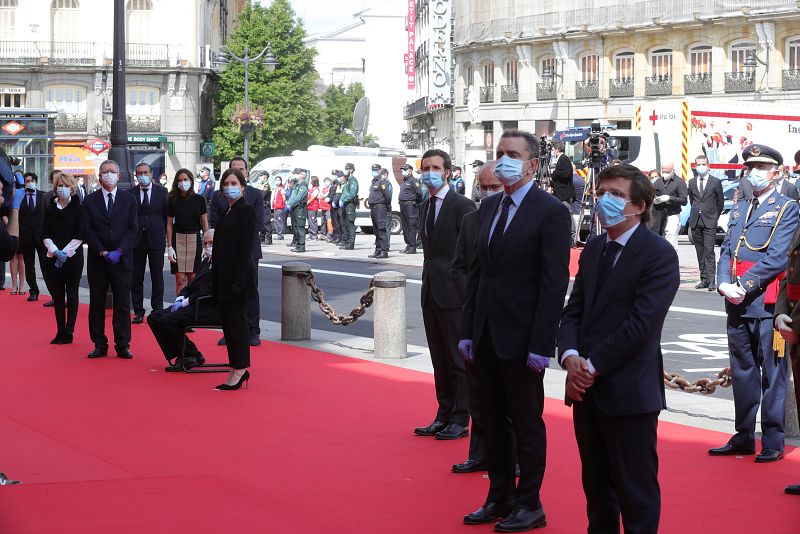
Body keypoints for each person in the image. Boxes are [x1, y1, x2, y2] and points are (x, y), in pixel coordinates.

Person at [458, 130, 571, 532]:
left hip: (523, 340)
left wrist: (542, 342)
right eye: (499, 153)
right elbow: (478, 275)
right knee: (490, 420)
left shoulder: (550, 211)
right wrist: (468, 329)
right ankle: (499, 495)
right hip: (486, 335)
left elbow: (553, 283)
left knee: (525, 423)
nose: (504, 160)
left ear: (532, 164)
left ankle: (530, 504)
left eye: (512, 154)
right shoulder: (488, 208)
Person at [558, 163, 680, 534]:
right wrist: (570, 356)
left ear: (639, 206)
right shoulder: (594, 248)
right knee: (597, 490)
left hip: (628, 392)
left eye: (616, 195)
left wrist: (590, 367)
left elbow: (641, 326)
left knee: (635, 492)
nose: (605, 202)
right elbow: (574, 309)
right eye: (601, 194)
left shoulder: (658, 254)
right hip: (586, 393)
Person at [712, 143, 799, 463]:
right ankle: (744, 435)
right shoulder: (739, 207)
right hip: (736, 303)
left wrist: (745, 285)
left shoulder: (787, 207)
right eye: (750, 168)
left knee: (773, 374)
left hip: (766, 304)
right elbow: (727, 250)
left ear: (776, 173)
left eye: (761, 168)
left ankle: (773, 439)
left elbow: (778, 257)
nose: (754, 173)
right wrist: (723, 282)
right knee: (743, 371)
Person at [414, 149, 477, 442]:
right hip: (431, 291)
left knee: (456, 359)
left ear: (448, 171)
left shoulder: (463, 206)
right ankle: (443, 412)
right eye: (425, 168)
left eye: (435, 167)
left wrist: (466, 292)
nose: (429, 173)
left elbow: (470, 255)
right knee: (439, 358)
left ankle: (461, 418)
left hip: (454, 294)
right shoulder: (425, 206)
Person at [450, 160, 501, 474]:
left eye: (494, 186)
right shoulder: (471, 220)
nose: (489, 192)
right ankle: (480, 452)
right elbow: (458, 267)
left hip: (508, 322)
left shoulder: (521, 219)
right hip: (474, 318)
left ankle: (514, 457)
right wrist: (473, 298)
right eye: (484, 187)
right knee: (478, 391)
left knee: (508, 399)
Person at [82, 159, 138, 359]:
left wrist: (120, 251)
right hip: (98, 260)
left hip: (122, 260)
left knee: (122, 303)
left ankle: (122, 344)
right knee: (97, 302)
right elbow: (87, 229)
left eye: (112, 171)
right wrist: (102, 252)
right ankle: (99, 343)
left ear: (119, 175)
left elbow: (133, 229)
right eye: (105, 172)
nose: (108, 175)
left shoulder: (129, 199)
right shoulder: (90, 200)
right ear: (99, 176)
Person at [208, 157, 265, 346]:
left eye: (241, 170)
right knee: (227, 293)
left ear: (246, 174)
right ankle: (229, 330)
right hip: (224, 253)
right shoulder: (218, 197)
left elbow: (258, 222)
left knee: (249, 291)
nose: (231, 185)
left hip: (248, 250)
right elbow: (214, 221)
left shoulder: (256, 195)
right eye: (233, 171)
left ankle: (252, 330)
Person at [148, 229, 218, 371]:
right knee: (154, 317)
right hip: (193, 303)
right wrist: (180, 297)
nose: (207, 247)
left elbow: (210, 290)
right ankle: (186, 353)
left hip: (207, 307)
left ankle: (189, 354)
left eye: (211, 243)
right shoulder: (206, 261)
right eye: (205, 244)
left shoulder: (223, 265)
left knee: (167, 320)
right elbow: (192, 285)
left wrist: (187, 301)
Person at [212, 168, 257, 390]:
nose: (229, 186)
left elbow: (245, 250)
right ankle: (234, 366)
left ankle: (240, 369)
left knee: (237, 326)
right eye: (226, 183)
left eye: (233, 183)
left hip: (236, 281)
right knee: (228, 326)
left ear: (242, 186)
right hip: (224, 277)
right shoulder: (228, 211)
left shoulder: (245, 210)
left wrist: (237, 282)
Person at [41, 172, 83, 344]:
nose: (62, 188)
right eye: (60, 185)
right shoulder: (50, 208)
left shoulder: (78, 208)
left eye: (66, 185)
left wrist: (65, 252)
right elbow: (44, 232)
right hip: (53, 256)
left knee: (72, 293)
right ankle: (60, 330)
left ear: (72, 188)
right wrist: (55, 250)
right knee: (58, 294)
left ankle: (69, 330)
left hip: (72, 257)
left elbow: (81, 233)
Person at [131, 162, 168, 324]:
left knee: (157, 276)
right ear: (136, 175)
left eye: (145, 172)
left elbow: (167, 218)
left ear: (151, 174)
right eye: (139, 173)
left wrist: (169, 241)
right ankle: (138, 311)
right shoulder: (130, 193)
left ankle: (157, 309)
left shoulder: (162, 192)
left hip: (156, 238)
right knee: (136, 276)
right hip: (137, 239)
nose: (143, 176)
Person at [166, 169, 208, 295]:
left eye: (185, 180)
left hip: (194, 239)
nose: (183, 182)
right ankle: (179, 308)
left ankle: (191, 308)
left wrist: (208, 245)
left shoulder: (199, 199)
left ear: (191, 180)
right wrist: (169, 247)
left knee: (193, 278)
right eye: (180, 180)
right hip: (177, 239)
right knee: (180, 279)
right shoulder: (172, 200)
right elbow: (169, 224)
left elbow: (205, 223)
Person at [688, 155, 724, 292]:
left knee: (709, 251)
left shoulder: (715, 182)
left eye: (703, 164)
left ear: (708, 166)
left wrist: (714, 216)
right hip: (696, 220)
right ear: (695, 166)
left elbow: (720, 202)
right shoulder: (691, 182)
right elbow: (692, 200)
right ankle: (704, 279)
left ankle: (712, 281)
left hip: (710, 221)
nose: (701, 167)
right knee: (700, 251)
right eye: (698, 164)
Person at [19, 172, 50, 303]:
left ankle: (53, 293)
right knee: (29, 265)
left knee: (46, 266)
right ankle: (33, 291)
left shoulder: (43, 196)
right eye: (26, 181)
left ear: (36, 181)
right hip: (26, 237)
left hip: (42, 237)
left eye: (31, 180)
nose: (29, 182)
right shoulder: (19, 197)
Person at [652, 161, 688, 252]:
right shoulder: (658, 181)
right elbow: (653, 194)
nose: (665, 174)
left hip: (672, 215)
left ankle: (671, 262)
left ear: (673, 170)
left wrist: (669, 198)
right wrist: (655, 200)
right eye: (663, 171)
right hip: (659, 215)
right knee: (658, 239)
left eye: (667, 172)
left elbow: (684, 200)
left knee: (671, 240)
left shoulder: (679, 182)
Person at [549, 142, 576, 245]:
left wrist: (554, 173)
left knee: (567, 214)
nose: (552, 152)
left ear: (557, 149)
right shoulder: (562, 158)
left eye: (553, 150)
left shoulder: (563, 158)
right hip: (560, 193)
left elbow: (566, 173)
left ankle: (571, 238)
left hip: (564, 194)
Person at [367, 163, 392, 258]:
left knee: (381, 229)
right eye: (373, 170)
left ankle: (384, 251)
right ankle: (378, 250)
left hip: (380, 207)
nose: (374, 171)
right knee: (376, 230)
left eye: (376, 170)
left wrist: (386, 206)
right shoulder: (374, 181)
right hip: (373, 207)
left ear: (379, 170)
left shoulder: (382, 182)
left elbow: (388, 196)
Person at [398, 163, 423, 254]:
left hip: (410, 205)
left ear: (410, 171)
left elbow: (419, 193)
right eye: (402, 170)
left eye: (404, 170)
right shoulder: (404, 181)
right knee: (405, 226)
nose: (402, 172)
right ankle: (408, 245)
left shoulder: (413, 181)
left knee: (411, 226)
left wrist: (415, 202)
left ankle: (413, 247)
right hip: (403, 205)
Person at [285, 169, 309, 253]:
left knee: (300, 228)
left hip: (300, 209)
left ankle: (301, 246)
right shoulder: (297, 185)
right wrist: (289, 204)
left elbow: (298, 198)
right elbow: (293, 196)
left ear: (302, 175)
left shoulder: (303, 185)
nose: (295, 175)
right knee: (295, 227)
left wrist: (290, 204)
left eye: (297, 174)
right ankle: (298, 244)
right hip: (295, 209)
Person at [340, 163, 359, 250]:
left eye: (347, 169)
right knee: (346, 224)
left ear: (351, 170)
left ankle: (351, 243)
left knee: (350, 224)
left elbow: (352, 194)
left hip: (350, 204)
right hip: (346, 205)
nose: (345, 170)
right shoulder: (347, 180)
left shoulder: (353, 180)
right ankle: (347, 241)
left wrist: (343, 200)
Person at [328, 171, 344, 244]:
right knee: (334, 222)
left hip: (337, 205)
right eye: (333, 175)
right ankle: (335, 236)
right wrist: (328, 198)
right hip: (332, 204)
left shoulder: (338, 184)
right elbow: (331, 194)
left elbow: (337, 195)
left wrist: (332, 200)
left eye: (335, 175)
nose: (333, 177)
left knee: (338, 222)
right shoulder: (333, 184)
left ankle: (339, 237)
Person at [259, 171, 273, 245]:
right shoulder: (261, 185)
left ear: (265, 177)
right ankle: (262, 238)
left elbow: (262, 195)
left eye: (261, 175)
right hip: (262, 206)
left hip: (265, 206)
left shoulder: (266, 185)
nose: (260, 177)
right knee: (262, 222)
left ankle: (269, 239)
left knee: (266, 222)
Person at [272, 175, 286, 240]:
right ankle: (279, 234)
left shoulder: (282, 188)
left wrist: (283, 205)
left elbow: (284, 198)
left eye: (278, 180)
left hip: (280, 207)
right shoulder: (276, 188)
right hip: (276, 206)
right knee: (276, 221)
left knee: (279, 221)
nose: (277, 181)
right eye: (276, 180)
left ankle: (280, 235)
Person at [306, 175, 320, 241]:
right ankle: (311, 234)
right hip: (309, 207)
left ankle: (314, 235)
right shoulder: (311, 189)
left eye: (311, 180)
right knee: (310, 222)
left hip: (313, 207)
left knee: (313, 221)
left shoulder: (316, 189)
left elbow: (312, 198)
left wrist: (306, 203)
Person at [318, 175, 332, 240]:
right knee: (323, 222)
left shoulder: (330, 189)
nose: (326, 183)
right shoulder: (323, 189)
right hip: (322, 207)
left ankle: (329, 235)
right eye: (325, 181)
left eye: (327, 181)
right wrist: (323, 196)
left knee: (329, 222)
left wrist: (323, 196)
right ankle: (323, 234)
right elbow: (319, 196)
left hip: (328, 208)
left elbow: (326, 195)